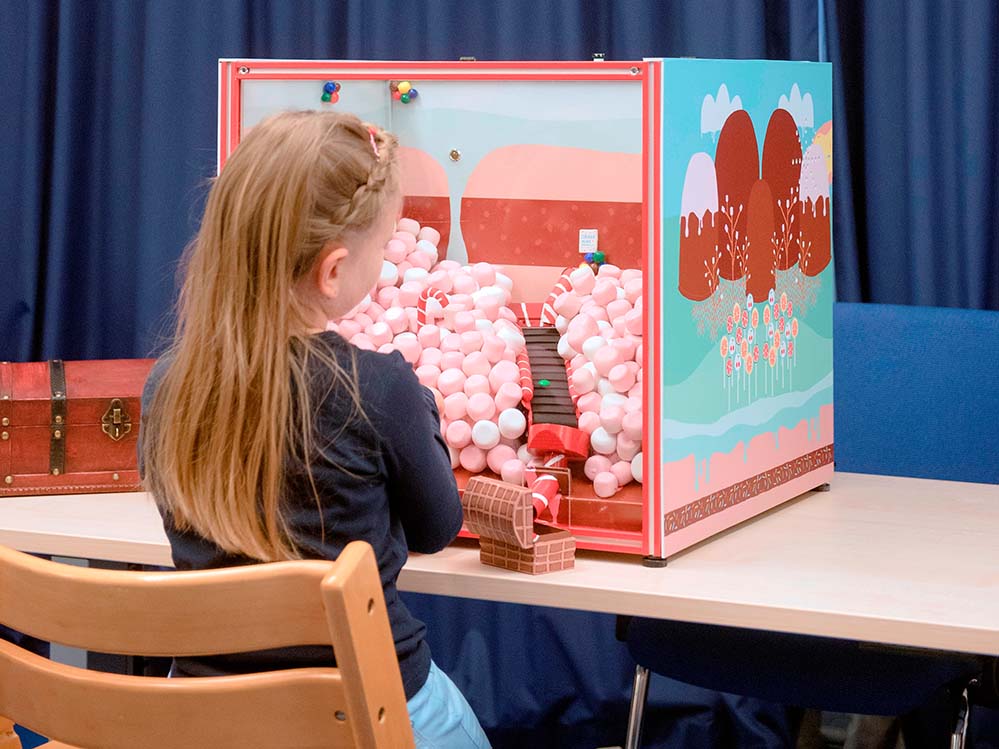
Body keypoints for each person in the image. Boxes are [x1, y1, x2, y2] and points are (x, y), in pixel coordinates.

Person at [139, 110, 490, 748]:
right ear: (332, 272)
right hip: (365, 712)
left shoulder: (167, 388)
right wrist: (421, 409)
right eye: (383, 246)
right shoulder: (379, 388)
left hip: (206, 718)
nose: (386, 258)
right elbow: (437, 529)